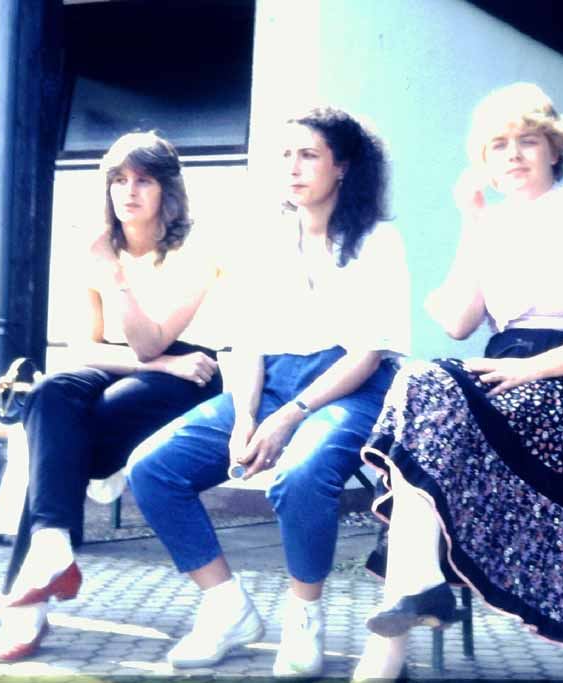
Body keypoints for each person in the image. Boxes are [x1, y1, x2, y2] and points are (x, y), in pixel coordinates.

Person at [351, 82, 563, 680]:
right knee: (419, 382)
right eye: (498, 144)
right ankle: (414, 590)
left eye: (528, 140)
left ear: (555, 149)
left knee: (428, 416)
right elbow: (457, 321)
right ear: (483, 160)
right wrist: (471, 223)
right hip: (501, 378)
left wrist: (530, 368)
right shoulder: (490, 225)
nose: (513, 154)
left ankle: (390, 644)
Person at [127, 106, 409, 677]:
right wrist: (245, 418)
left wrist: (288, 419)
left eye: (308, 155)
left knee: (300, 476)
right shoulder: (262, 239)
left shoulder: (378, 241)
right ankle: (226, 607)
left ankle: (304, 617)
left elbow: (367, 354)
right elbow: (247, 341)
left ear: (342, 166)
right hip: (269, 381)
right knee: (152, 469)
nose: (293, 167)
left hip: (350, 388)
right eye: (285, 155)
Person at [0, 132, 224, 663]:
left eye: (143, 180)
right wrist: (156, 360)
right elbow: (83, 347)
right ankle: (53, 546)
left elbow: (151, 341)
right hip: (138, 365)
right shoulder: (95, 250)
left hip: (191, 373)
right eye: (118, 180)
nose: (128, 191)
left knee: (57, 449)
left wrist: (114, 277)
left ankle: (29, 605)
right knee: (48, 393)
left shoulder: (196, 251)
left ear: (167, 190)